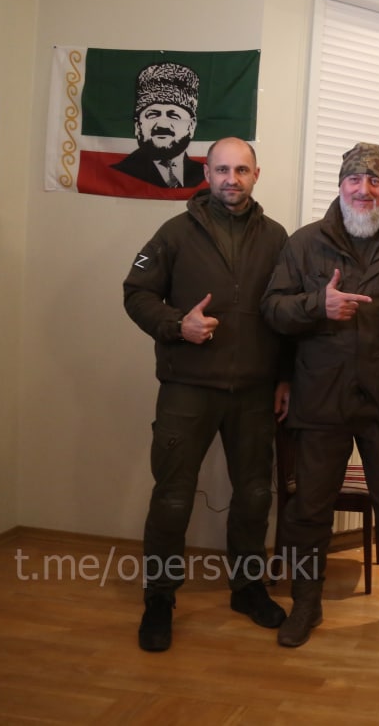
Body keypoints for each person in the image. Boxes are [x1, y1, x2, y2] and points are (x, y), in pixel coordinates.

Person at [261, 142, 379, 648]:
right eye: (355, 180)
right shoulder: (304, 243)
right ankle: (306, 603)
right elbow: (272, 310)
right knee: (309, 509)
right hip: (320, 398)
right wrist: (319, 305)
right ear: (340, 186)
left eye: (375, 181)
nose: (364, 189)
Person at [122, 136, 290, 652]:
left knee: (255, 495)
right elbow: (136, 293)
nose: (231, 179)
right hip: (188, 389)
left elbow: (286, 313)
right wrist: (178, 325)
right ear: (206, 173)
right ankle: (159, 599)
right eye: (221, 169)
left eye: (241, 170)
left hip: (255, 392)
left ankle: (247, 588)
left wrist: (284, 377)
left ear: (256, 175)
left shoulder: (278, 238)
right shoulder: (174, 233)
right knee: (173, 499)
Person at [111, 62, 207, 188]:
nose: (162, 125)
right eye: (153, 115)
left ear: (191, 126)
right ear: (137, 126)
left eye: (173, 116)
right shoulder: (118, 174)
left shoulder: (206, 176)